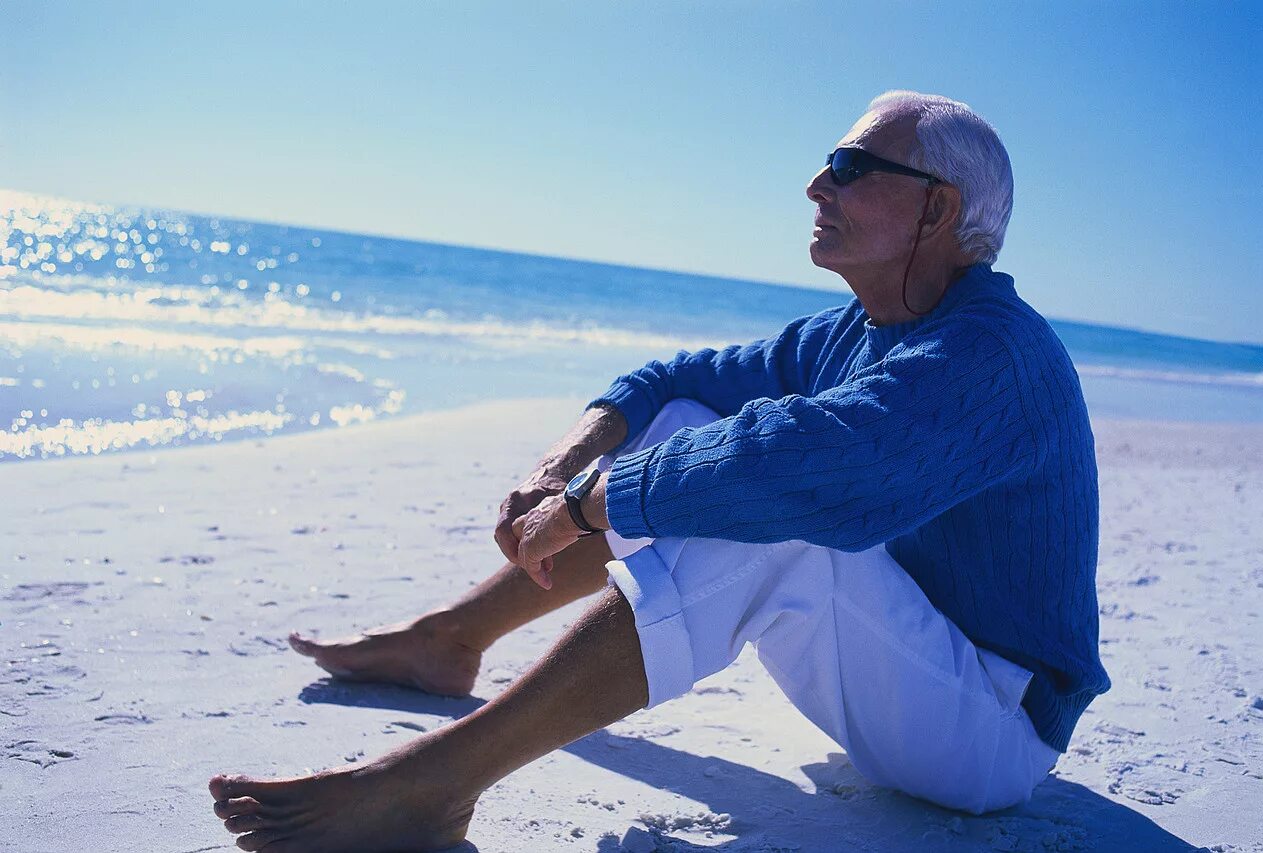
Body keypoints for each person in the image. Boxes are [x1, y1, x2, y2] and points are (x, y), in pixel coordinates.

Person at [209, 90, 1110, 852]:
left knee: (777, 509)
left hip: (991, 727)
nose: (815, 183)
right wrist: (570, 462)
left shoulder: (994, 355)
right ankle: (455, 638)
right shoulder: (856, 329)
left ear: (938, 210)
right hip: (903, 673)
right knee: (691, 425)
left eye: (849, 164)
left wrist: (592, 503)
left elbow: (819, 471)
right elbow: (672, 382)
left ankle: (433, 786)